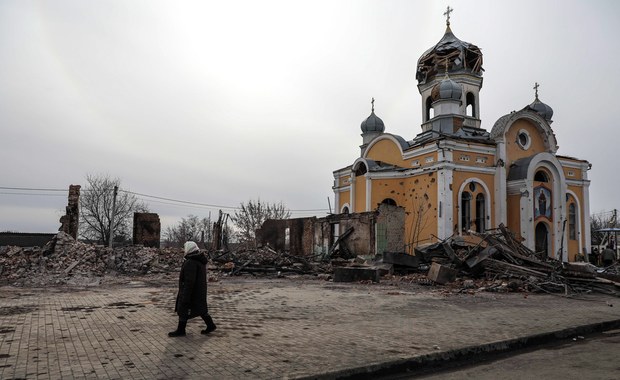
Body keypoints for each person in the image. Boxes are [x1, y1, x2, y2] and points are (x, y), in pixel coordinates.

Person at [168, 241, 217, 337]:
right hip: (199, 291)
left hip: (192, 291)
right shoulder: (199, 260)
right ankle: (210, 325)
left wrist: (185, 295)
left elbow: (189, 281)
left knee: (183, 308)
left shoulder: (191, 262)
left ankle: (181, 330)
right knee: (200, 309)